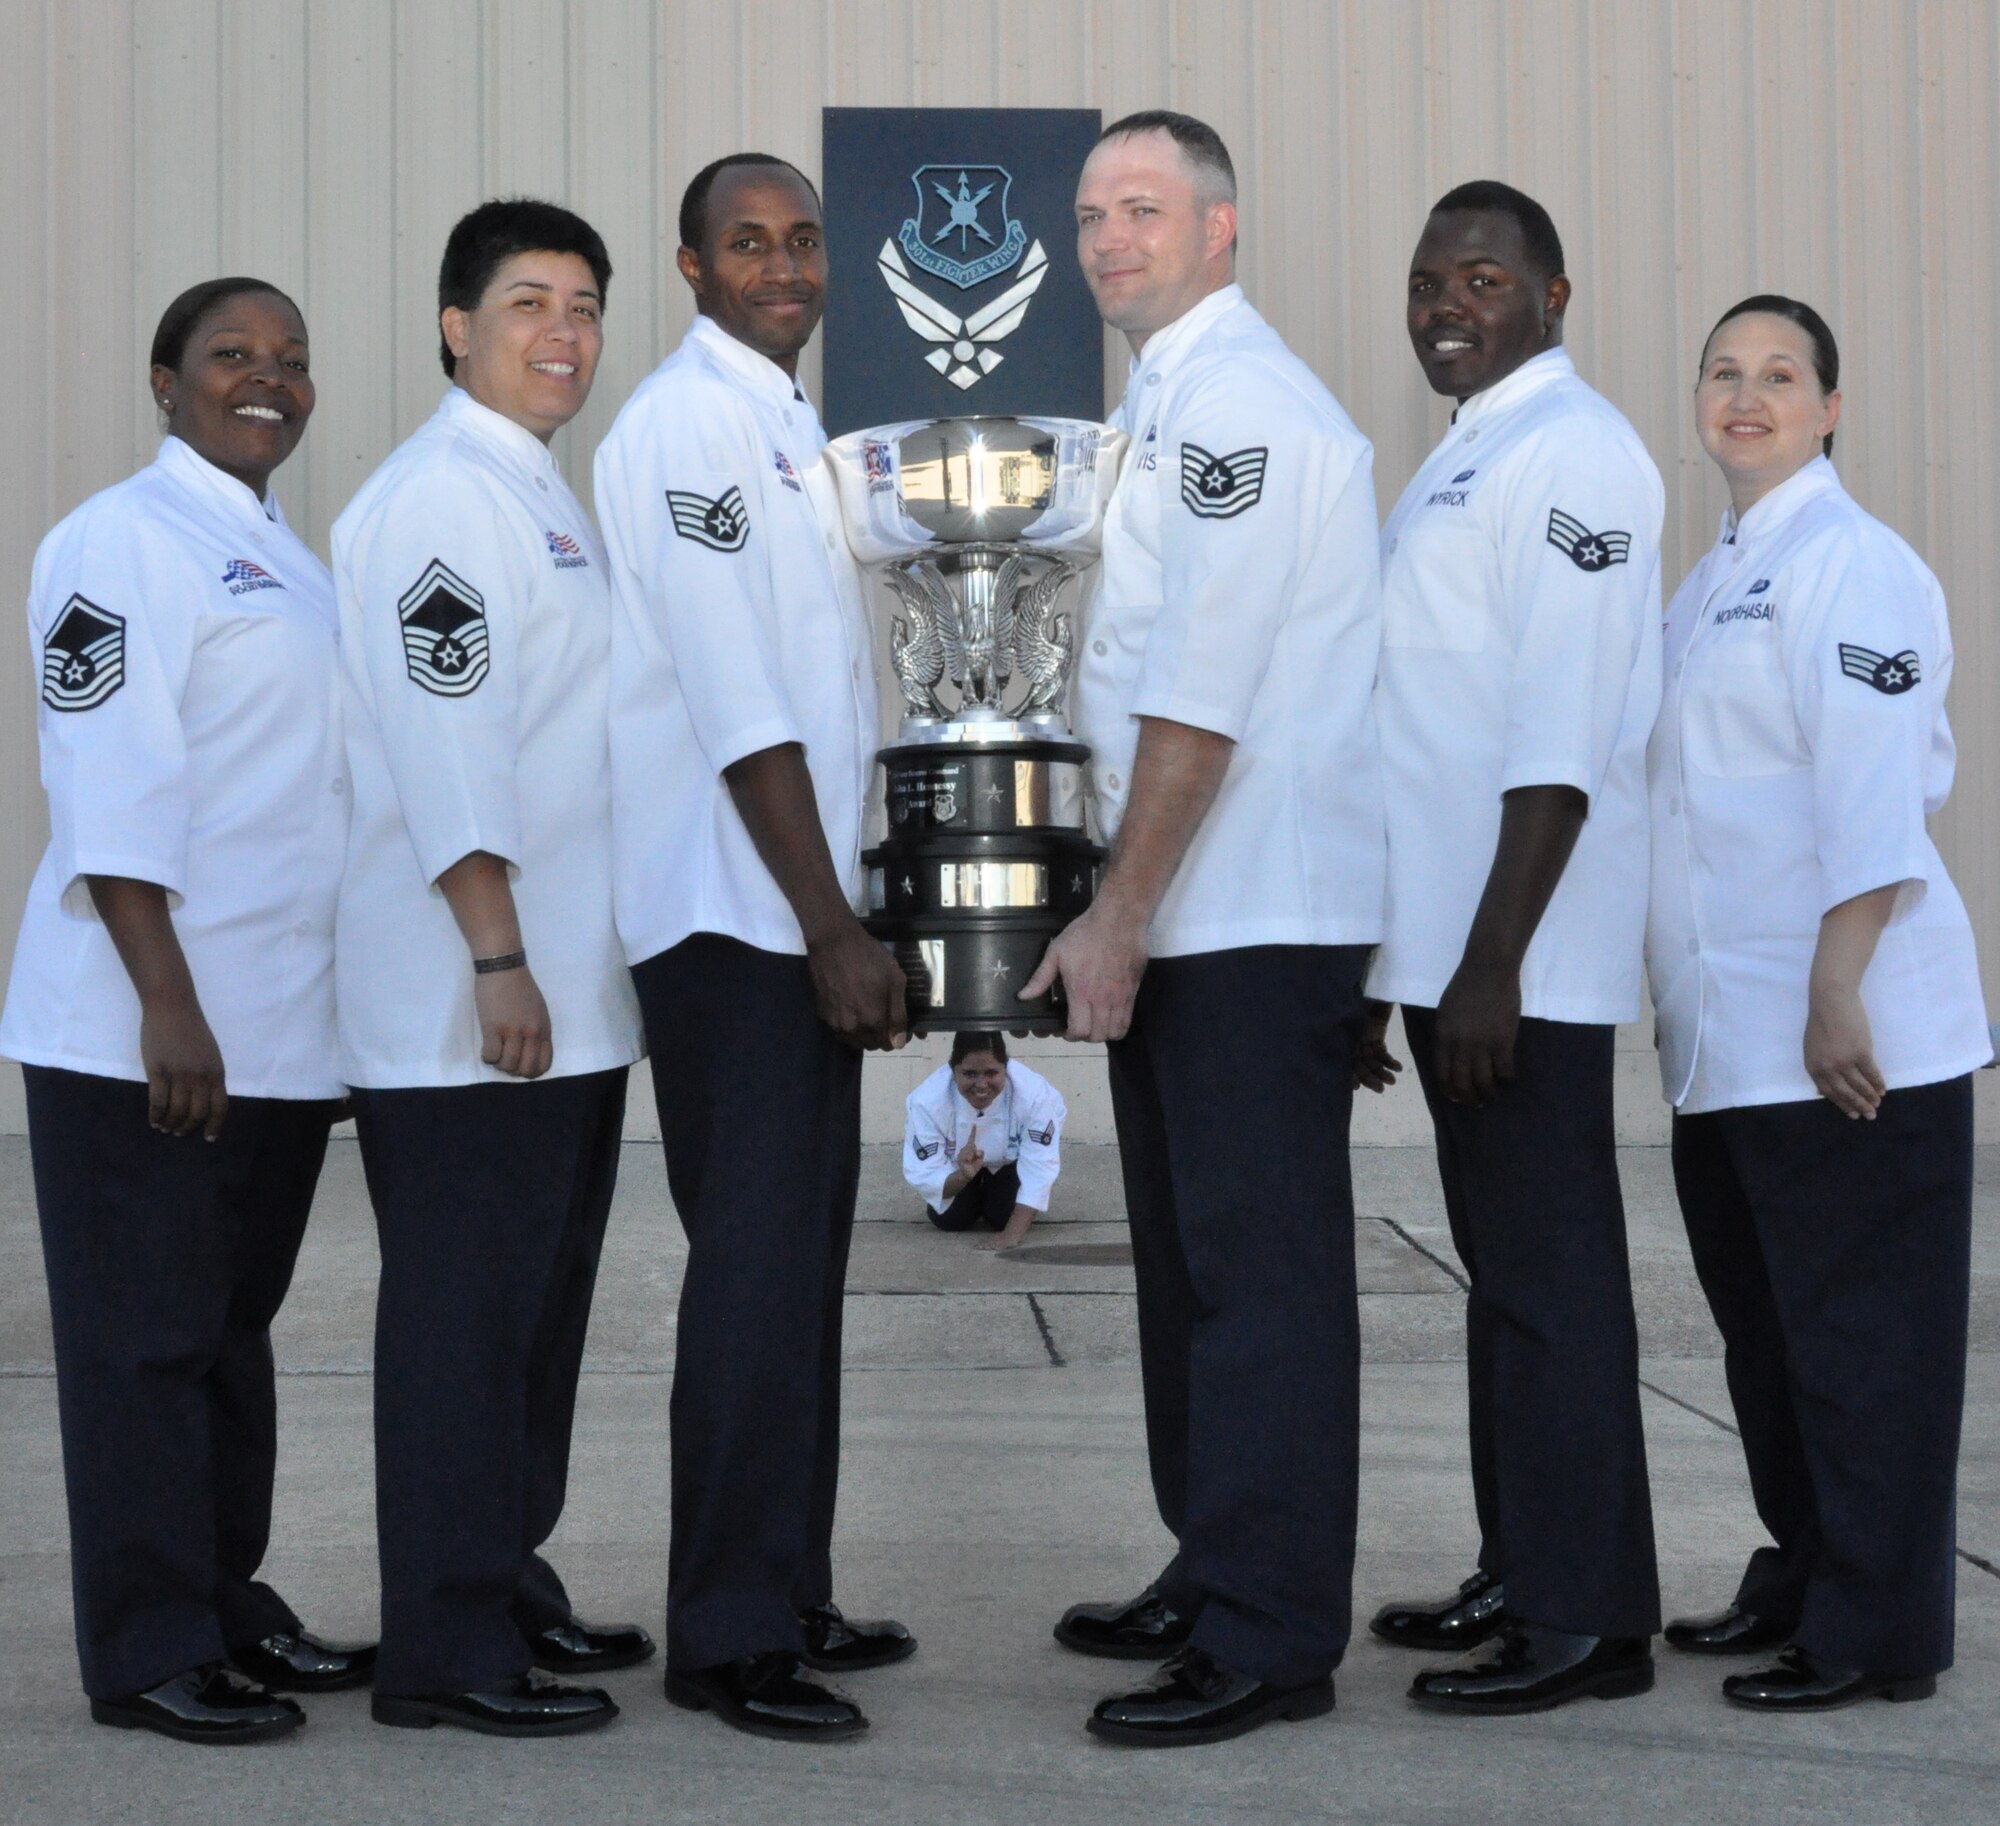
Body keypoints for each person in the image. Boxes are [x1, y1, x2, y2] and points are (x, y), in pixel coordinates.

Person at [1027, 111, 1386, 1748]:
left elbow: (1203, 697)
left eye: (1145, 209)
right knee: (1189, 1270)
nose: (1112, 238)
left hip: (1245, 919)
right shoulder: (1166, 396)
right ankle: (1216, 1557)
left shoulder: (1241, 406)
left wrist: (1120, 913)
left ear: (1222, 227)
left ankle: (1270, 1631)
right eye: (1095, 212)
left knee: (1260, 1281)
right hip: (1194, 919)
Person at [0, 278, 371, 1742]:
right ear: (166, 382)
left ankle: (227, 1598)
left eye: (290, 358)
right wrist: (171, 1003)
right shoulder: (118, 541)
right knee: (145, 1341)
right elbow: (108, 781)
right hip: (142, 1031)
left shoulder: (284, 555)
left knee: (229, 1332)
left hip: (270, 1033)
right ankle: (151, 1644)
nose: (266, 378)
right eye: (232, 356)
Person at [594, 153, 914, 1744]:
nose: (781, 264)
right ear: (691, 263)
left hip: (791, 910)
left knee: (798, 1277)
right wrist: (830, 927)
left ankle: (786, 1582)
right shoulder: (685, 426)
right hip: (739, 922)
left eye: (800, 239)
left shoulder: (789, 425)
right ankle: (726, 1634)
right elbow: (739, 702)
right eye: (747, 243)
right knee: (753, 1279)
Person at [1646, 296, 1989, 1711]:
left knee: (1865, 1350)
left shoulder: (1857, 566)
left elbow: (1873, 789)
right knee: (1773, 1338)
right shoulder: (1713, 576)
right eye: (1725, 372)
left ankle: (1879, 1627)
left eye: (1780, 375)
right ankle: (1804, 1567)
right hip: (1734, 1048)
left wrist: (1838, 985)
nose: (1748, 394)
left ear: (1830, 406)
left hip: (1846, 1035)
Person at [333, 199, 648, 1738]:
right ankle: (445, 1648)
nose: (563, 333)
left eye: (585, 305)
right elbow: (444, 747)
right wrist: (498, 952)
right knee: (465, 1323)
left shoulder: (542, 495)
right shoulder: (437, 501)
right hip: (478, 1001)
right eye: (528, 302)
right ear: (457, 326)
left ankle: (500, 1574)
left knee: (532, 1318)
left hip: (567, 999)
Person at [1359, 182, 1664, 1714]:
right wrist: (1390, 968)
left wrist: (1492, 963)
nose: (1445, 305)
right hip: (1452, 956)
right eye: (1426, 282)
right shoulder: (1468, 460)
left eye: (1480, 277)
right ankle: (1521, 1559)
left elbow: (1563, 731)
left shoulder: (1578, 456)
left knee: (1551, 1277)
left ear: (1556, 290)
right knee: (1507, 1276)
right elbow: (1417, 728)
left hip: (1516, 961)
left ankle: (1588, 1611)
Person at [904, 1032, 1067, 1251]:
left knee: (1002, 1217)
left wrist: (1011, 1235)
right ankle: (972, 1189)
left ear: (1006, 1069)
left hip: (1008, 1162)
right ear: (953, 1072)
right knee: (951, 1220)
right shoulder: (926, 1102)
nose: (981, 1085)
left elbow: (1039, 1166)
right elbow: (925, 1172)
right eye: (969, 1074)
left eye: (991, 1073)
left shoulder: (1035, 1095)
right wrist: (962, 1176)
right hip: (957, 1165)